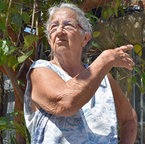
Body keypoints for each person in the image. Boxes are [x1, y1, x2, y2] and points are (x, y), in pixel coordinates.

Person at [24, 3, 137, 144]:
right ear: (49, 40)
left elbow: (129, 119)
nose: (59, 31)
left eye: (68, 25)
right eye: (53, 26)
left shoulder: (104, 79)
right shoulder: (40, 71)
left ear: (85, 38)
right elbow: (64, 103)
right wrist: (105, 59)